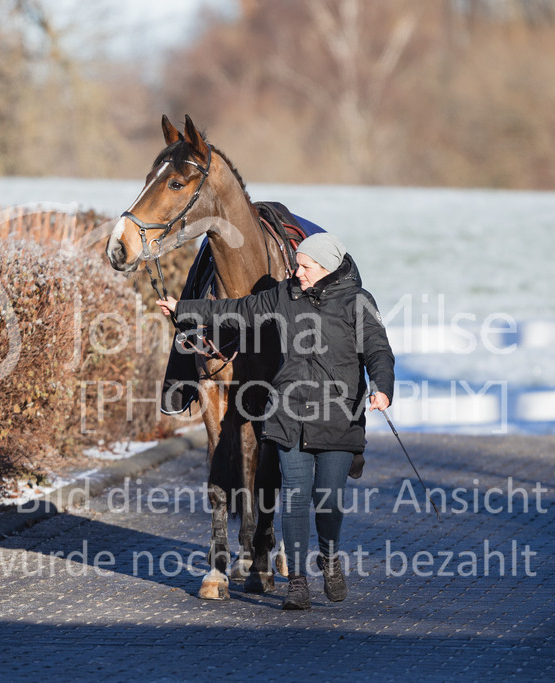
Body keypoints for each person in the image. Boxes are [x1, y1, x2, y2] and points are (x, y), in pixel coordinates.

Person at [157, 233, 395, 610]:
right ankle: (297, 582)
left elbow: (379, 350)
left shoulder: (358, 302)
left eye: (305, 266)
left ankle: (330, 558)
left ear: (326, 267)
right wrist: (183, 309)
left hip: (338, 417)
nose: (296, 271)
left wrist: (381, 388)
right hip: (289, 414)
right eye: (297, 264)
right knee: (296, 499)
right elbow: (237, 309)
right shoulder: (285, 295)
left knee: (328, 502)